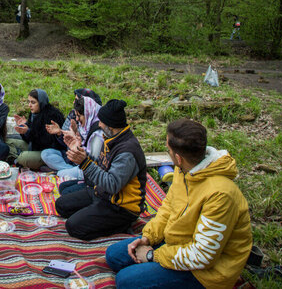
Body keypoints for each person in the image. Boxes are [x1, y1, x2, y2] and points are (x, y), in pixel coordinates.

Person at [105, 119, 252, 289]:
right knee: (114, 256)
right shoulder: (184, 170)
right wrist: (148, 237)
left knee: (125, 281)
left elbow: (202, 256)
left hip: (207, 272)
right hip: (178, 243)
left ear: (178, 158)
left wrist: (153, 256)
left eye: (168, 149)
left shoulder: (221, 195)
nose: (167, 152)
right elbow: (168, 206)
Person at [54, 99, 146, 241]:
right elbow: (100, 165)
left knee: (73, 226)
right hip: (101, 193)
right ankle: (94, 213)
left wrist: (84, 162)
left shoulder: (127, 152)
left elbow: (112, 185)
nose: (99, 125)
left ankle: (121, 226)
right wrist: (81, 153)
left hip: (120, 207)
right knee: (61, 205)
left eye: (102, 122)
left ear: (111, 125)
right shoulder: (111, 138)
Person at [41, 94, 104, 180]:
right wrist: (60, 133)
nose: (77, 119)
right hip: (70, 159)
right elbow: (65, 146)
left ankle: (63, 172)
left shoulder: (98, 134)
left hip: (85, 167)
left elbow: (93, 162)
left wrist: (77, 143)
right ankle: (68, 171)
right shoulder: (83, 122)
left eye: (79, 116)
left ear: (87, 113)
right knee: (46, 154)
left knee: (60, 174)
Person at [8, 89, 66, 169]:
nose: (29, 105)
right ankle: (20, 159)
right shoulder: (34, 114)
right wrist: (23, 128)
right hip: (34, 147)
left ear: (41, 102)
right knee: (8, 141)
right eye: (29, 102)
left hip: (48, 153)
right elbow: (29, 139)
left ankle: (44, 165)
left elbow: (46, 143)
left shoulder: (51, 116)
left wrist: (28, 132)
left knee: (23, 158)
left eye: (33, 102)